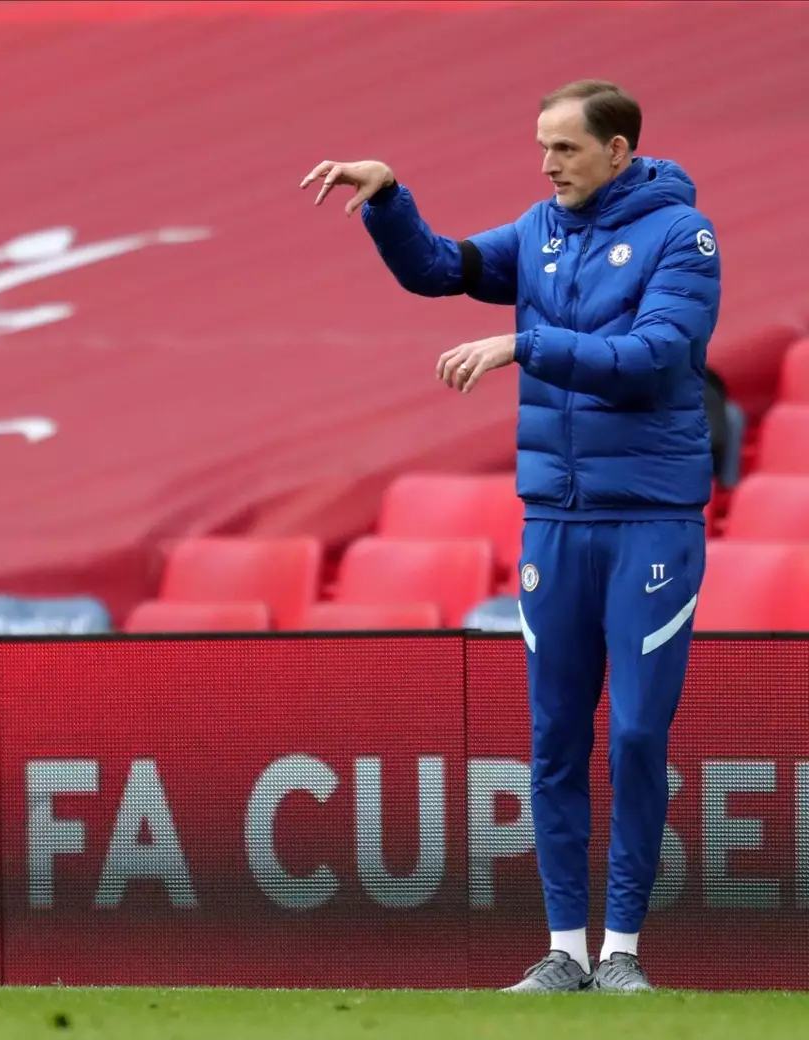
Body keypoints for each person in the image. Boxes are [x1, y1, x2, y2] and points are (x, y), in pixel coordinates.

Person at [302, 79, 720, 993]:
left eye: (565, 148)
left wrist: (524, 345)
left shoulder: (684, 238)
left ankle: (625, 955)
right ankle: (566, 952)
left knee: (639, 736)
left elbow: (652, 361)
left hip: (650, 519)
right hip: (555, 521)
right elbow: (440, 269)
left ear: (618, 151)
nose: (546, 165)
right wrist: (388, 199)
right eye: (542, 146)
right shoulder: (540, 229)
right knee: (555, 738)